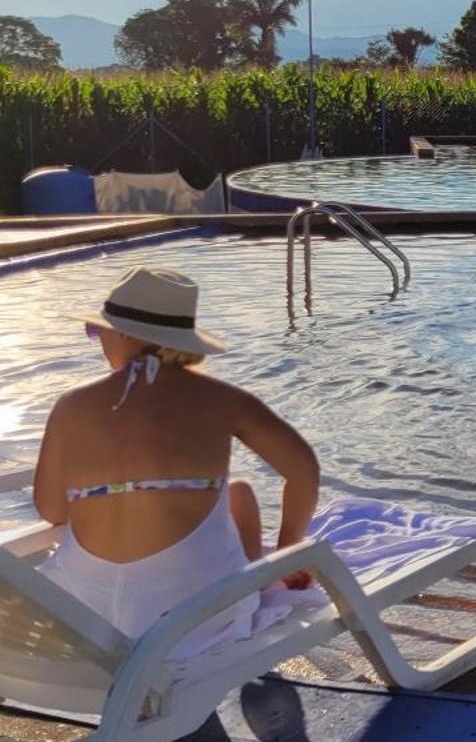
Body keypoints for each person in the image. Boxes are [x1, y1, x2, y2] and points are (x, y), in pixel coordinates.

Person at [32, 267, 321, 656]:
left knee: (235, 494)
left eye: (98, 331)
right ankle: (262, 571)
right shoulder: (224, 400)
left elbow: (51, 510)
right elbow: (303, 468)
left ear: (125, 334)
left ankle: (255, 567)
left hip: (89, 619)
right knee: (238, 494)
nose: (98, 341)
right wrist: (288, 553)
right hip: (197, 624)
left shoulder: (71, 405)